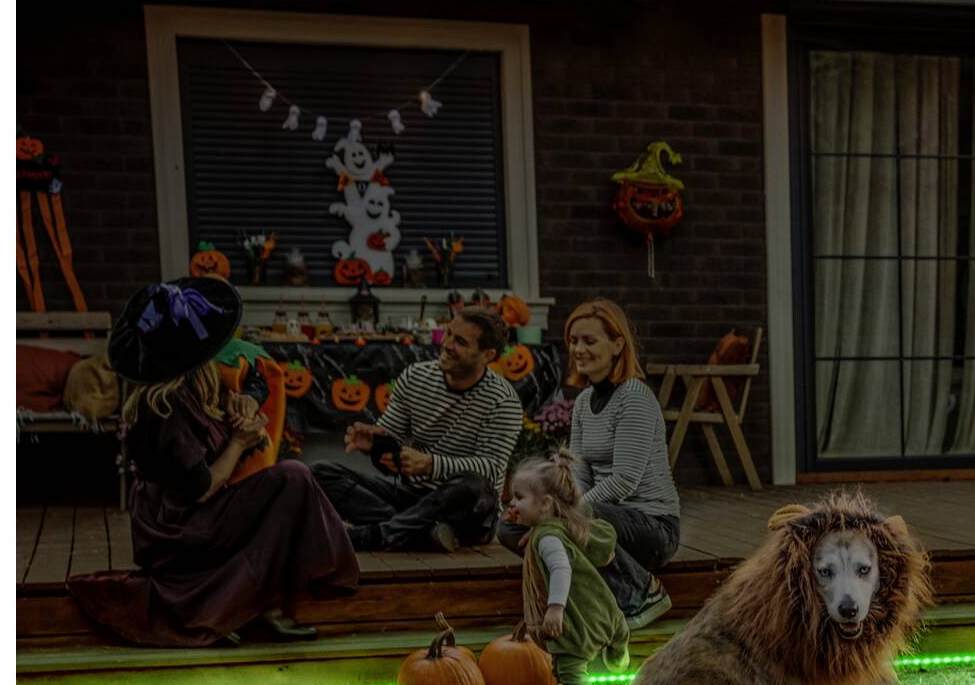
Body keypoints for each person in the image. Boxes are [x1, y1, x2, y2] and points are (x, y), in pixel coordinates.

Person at [66, 277, 358, 647]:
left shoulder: (194, 383)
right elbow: (200, 489)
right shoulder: (165, 410)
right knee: (292, 479)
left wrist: (245, 403)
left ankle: (259, 606)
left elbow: (254, 376)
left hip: (193, 517)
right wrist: (238, 441)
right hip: (176, 529)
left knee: (288, 484)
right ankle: (258, 608)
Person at [498, 299, 677, 628]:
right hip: (600, 521)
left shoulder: (634, 397)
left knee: (572, 515)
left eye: (590, 341)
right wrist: (545, 507)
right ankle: (585, 588)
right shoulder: (583, 402)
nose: (579, 349)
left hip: (651, 527)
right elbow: (578, 473)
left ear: (617, 345)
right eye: (574, 341)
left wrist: (562, 512)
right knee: (508, 523)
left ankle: (642, 591)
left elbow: (625, 480)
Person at [316, 307, 522, 552]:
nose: (446, 344)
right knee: (320, 473)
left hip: (467, 511)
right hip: (412, 497)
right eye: (448, 333)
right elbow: (391, 449)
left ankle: (378, 534)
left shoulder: (502, 400)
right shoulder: (416, 377)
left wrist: (430, 464)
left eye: (460, 341)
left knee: (474, 484)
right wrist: (376, 445)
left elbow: (490, 470)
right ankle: (421, 533)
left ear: (487, 355)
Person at [506, 450, 631, 685]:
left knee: (571, 669)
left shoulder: (548, 537)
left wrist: (555, 608)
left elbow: (561, 569)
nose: (512, 503)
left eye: (519, 497)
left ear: (546, 503)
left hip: (577, 616)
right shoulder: (554, 527)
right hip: (600, 609)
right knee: (564, 668)